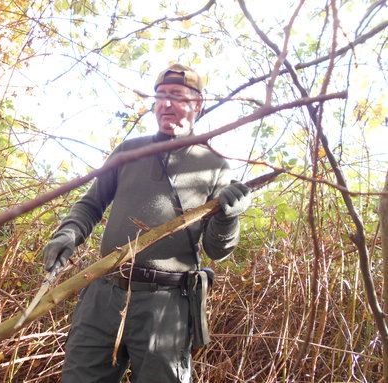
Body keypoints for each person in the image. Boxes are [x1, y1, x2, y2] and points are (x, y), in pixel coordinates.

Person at [42, 63, 251, 383]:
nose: (166, 104)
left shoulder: (215, 165)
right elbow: (91, 203)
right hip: (104, 294)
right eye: (161, 96)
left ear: (197, 104)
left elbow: (216, 250)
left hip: (166, 305)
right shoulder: (129, 151)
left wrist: (228, 217)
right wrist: (67, 234)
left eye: (178, 96)